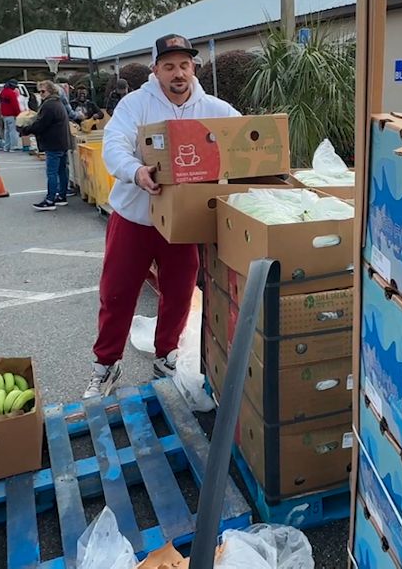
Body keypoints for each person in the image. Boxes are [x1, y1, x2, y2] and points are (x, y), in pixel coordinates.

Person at [84, 35, 240, 399]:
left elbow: (243, 139)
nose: (178, 73)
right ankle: (106, 364)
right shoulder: (135, 104)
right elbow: (114, 144)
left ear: (193, 68)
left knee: (180, 291)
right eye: (169, 66)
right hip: (135, 216)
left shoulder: (213, 108)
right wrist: (136, 171)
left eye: (184, 65)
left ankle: (166, 353)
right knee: (117, 293)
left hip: (184, 223)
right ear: (155, 70)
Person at [19, 81, 73, 211]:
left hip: (53, 143)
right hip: (62, 142)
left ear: (51, 91)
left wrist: (25, 129)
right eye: (40, 91)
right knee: (62, 170)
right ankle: (61, 196)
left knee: (52, 172)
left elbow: (41, 124)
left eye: (43, 91)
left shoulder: (49, 105)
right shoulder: (58, 103)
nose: (41, 94)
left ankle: (50, 200)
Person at [0, 79, 23, 152]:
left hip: (4, 115)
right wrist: (18, 114)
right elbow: (15, 105)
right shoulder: (11, 93)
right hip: (12, 115)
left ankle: (6, 146)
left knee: (7, 131)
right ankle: (13, 146)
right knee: (13, 131)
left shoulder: (2, 92)